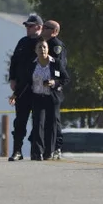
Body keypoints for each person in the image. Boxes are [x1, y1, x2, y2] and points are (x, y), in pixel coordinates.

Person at [9, 38, 69, 161]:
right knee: (38, 124)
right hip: (37, 97)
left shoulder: (55, 63)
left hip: (52, 98)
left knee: (51, 125)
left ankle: (49, 152)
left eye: (44, 47)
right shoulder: (32, 65)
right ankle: (37, 152)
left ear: (48, 49)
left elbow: (66, 79)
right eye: (39, 48)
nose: (42, 50)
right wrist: (15, 95)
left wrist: (54, 83)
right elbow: (25, 82)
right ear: (35, 51)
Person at [7, 14, 44, 161]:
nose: (27, 29)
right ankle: (17, 151)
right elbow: (14, 61)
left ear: (39, 27)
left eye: (30, 26)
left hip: (39, 88)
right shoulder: (22, 42)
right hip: (22, 88)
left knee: (38, 121)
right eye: (26, 26)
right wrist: (13, 79)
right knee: (20, 121)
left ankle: (37, 150)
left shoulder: (43, 43)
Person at [42, 20, 67, 159]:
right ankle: (45, 147)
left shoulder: (55, 45)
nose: (43, 29)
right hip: (42, 87)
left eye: (46, 27)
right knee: (43, 119)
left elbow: (58, 66)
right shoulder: (43, 44)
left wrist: (54, 82)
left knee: (53, 119)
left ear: (54, 31)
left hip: (53, 87)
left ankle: (56, 147)